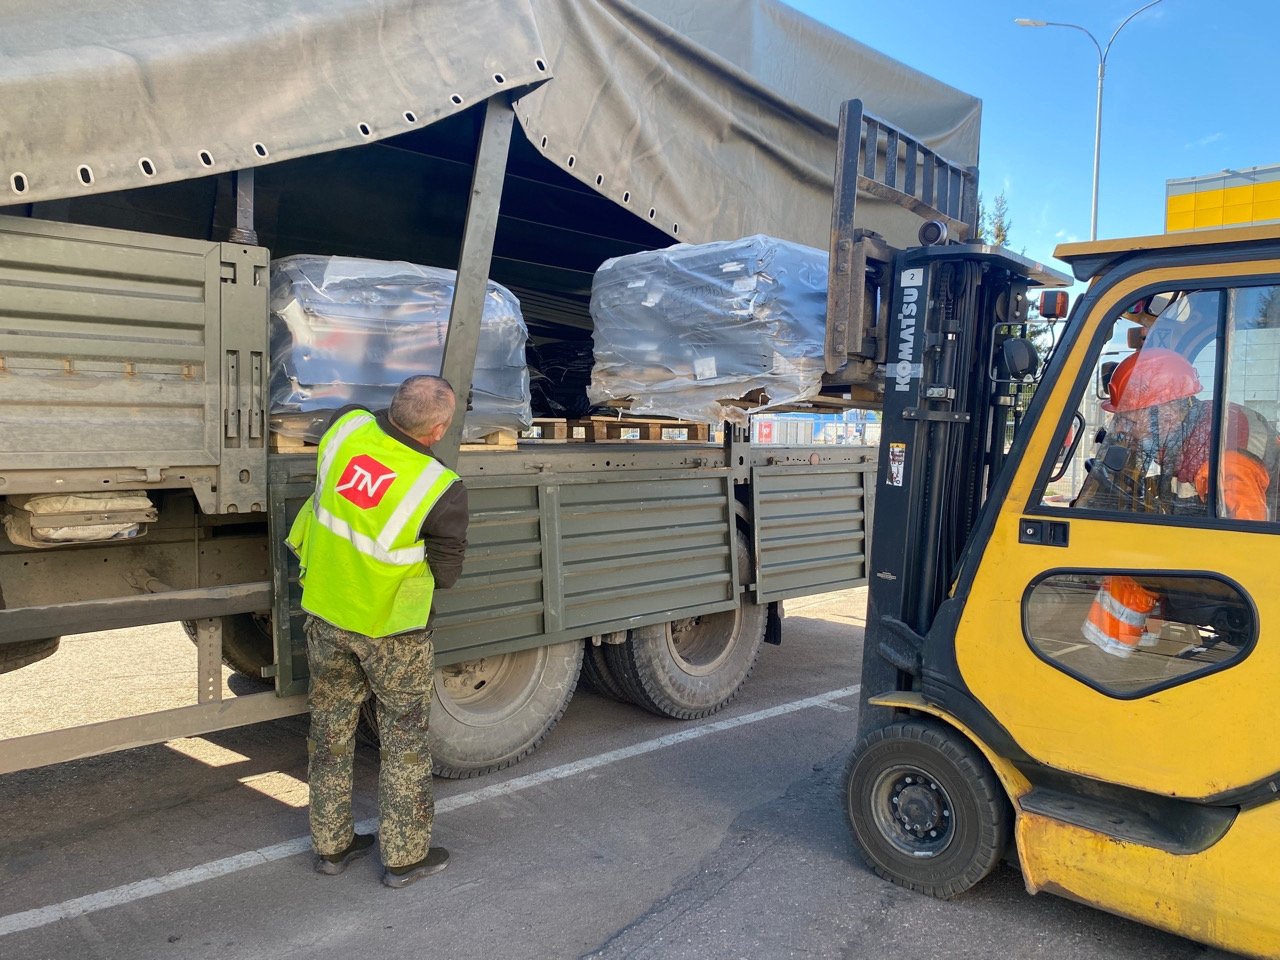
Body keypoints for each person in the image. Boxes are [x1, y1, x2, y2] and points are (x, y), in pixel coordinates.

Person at [286, 375, 468, 887]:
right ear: (439, 430)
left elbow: (356, 409)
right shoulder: (439, 487)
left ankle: (331, 848)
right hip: (391, 633)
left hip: (326, 614)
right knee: (404, 744)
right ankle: (404, 858)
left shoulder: (345, 430)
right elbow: (447, 575)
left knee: (330, 733)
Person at [1076, 347, 1276, 657]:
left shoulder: (1224, 461)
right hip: (1236, 568)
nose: (1125, 431)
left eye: (1130, 419)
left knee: (1131, 568)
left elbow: (1248, 554)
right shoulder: (1194, 435)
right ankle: (1130, 656)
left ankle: (1106, 661)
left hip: (1250, 586)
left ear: (1167, 413)